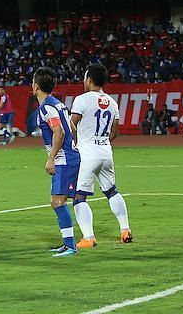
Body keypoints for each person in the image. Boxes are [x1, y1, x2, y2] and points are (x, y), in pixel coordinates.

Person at [70, 64, 132, 248]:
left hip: (87, 152)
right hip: (106, 151)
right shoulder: (112, 102)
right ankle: (125, 229)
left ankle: (89, 237)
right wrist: (102, 143)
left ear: (89, 79)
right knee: (111, 191)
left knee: (79, 197)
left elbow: (71, 125)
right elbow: (115, 131)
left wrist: (76, 143)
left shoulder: (81, 100)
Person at [32, 67, 80, 257]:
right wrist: (74, 145)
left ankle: (70, 246)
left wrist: (51, 158)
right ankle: (67, 243)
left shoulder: (47, 107)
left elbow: (58, 132)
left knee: (58, 201)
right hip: (68, 156)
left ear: (36, 87)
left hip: (63, 159)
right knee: (57, 201)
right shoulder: (58, 104)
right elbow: (72, 127)